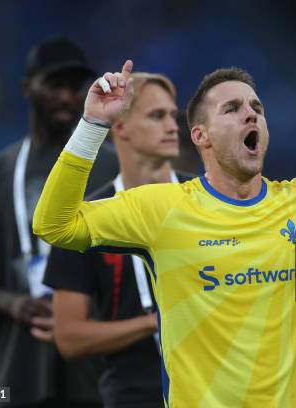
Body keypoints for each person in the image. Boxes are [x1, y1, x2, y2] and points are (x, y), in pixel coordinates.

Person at [33, 60, 296, 407]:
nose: (251, 114)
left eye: (256, 107)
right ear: (200, 136)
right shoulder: (161, 209)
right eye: (232, 108)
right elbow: (55, 224)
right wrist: (92, 125)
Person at [0, 38, 118, 407]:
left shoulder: (114, 168)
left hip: (101, 373)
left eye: (75, 87)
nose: (65, 97)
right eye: (54, 85)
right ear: (27, 88)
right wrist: (16, 305)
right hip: (20, 372)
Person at [43, 72, 193, 408]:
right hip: (132, 397)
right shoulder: (90, 219)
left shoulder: (207, 200)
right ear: (120, 127)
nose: (172, 126)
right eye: (157, 116)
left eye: (173, 115)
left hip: (213, 392)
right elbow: (68, 337)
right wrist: (155, 321)